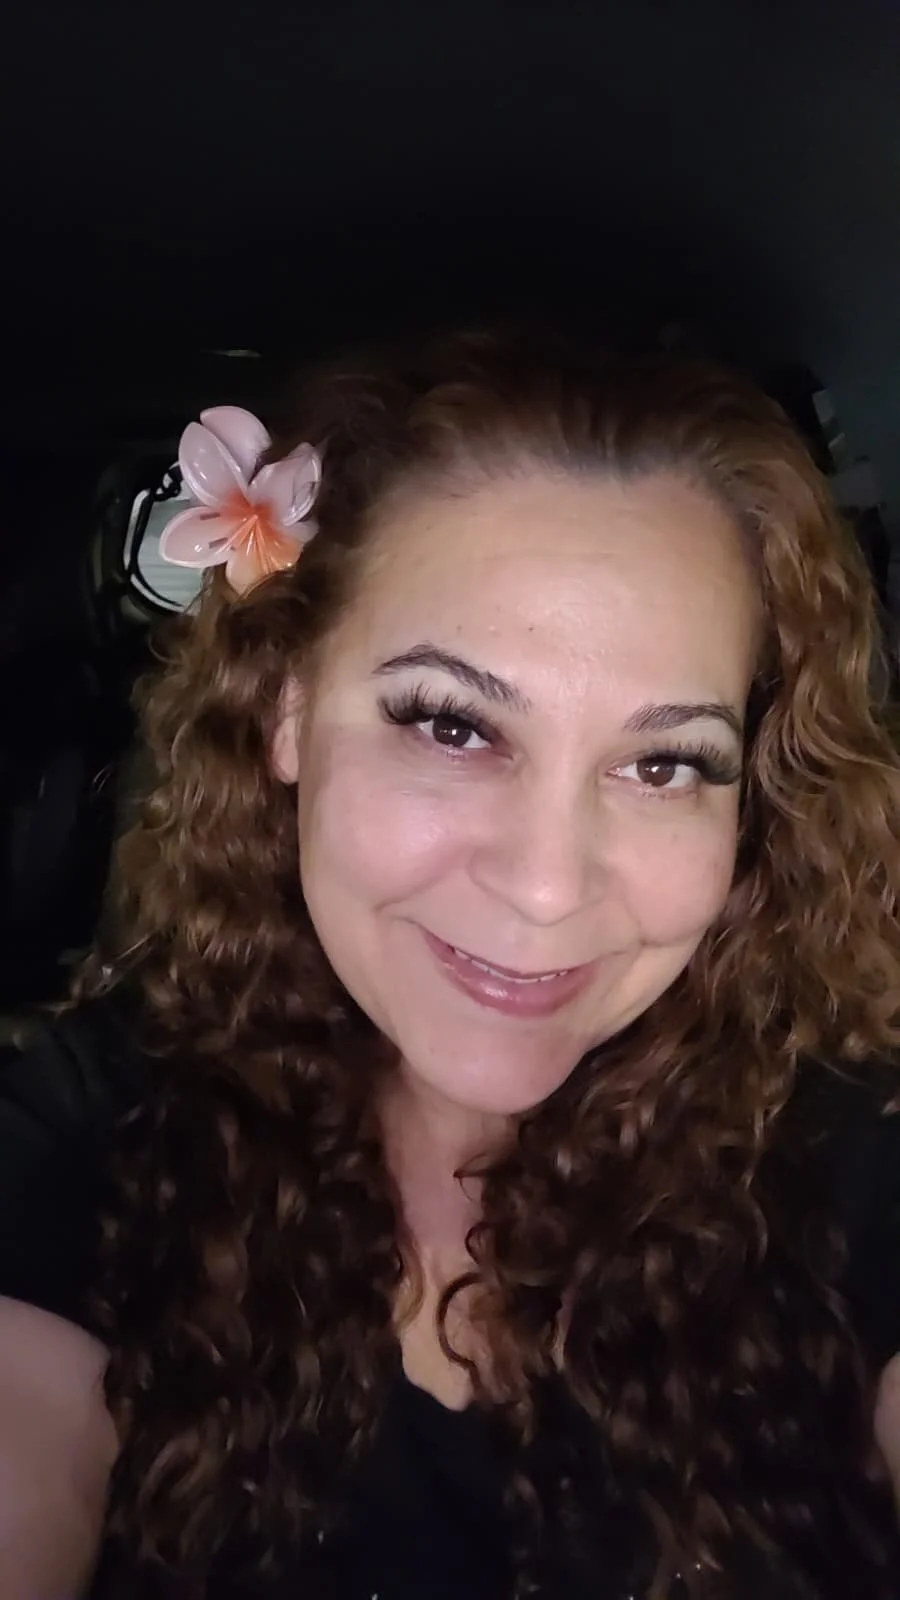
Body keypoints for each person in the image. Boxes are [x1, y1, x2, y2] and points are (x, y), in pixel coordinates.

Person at [1, 325, 900, 1600]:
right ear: (290, 711)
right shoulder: (91, 1127)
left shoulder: (851, 1159)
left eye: (664, 763)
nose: (546, 884)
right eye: (452, 724)